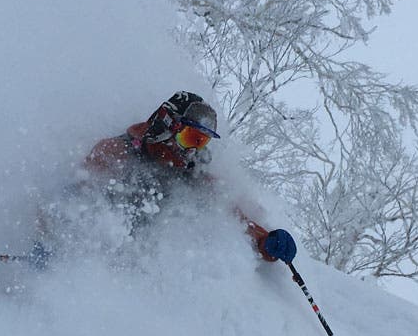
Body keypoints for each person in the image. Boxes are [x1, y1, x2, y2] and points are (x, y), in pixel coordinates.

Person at [34, 91, 297, 266]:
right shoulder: (116, 153)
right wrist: (48, 244)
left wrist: (265, 240)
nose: (192, 150)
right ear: (167, 125)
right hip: (90, 264)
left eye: (202, 142)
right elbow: (67, 200)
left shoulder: (191, 175)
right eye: (191, 138)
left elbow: (231, 214)